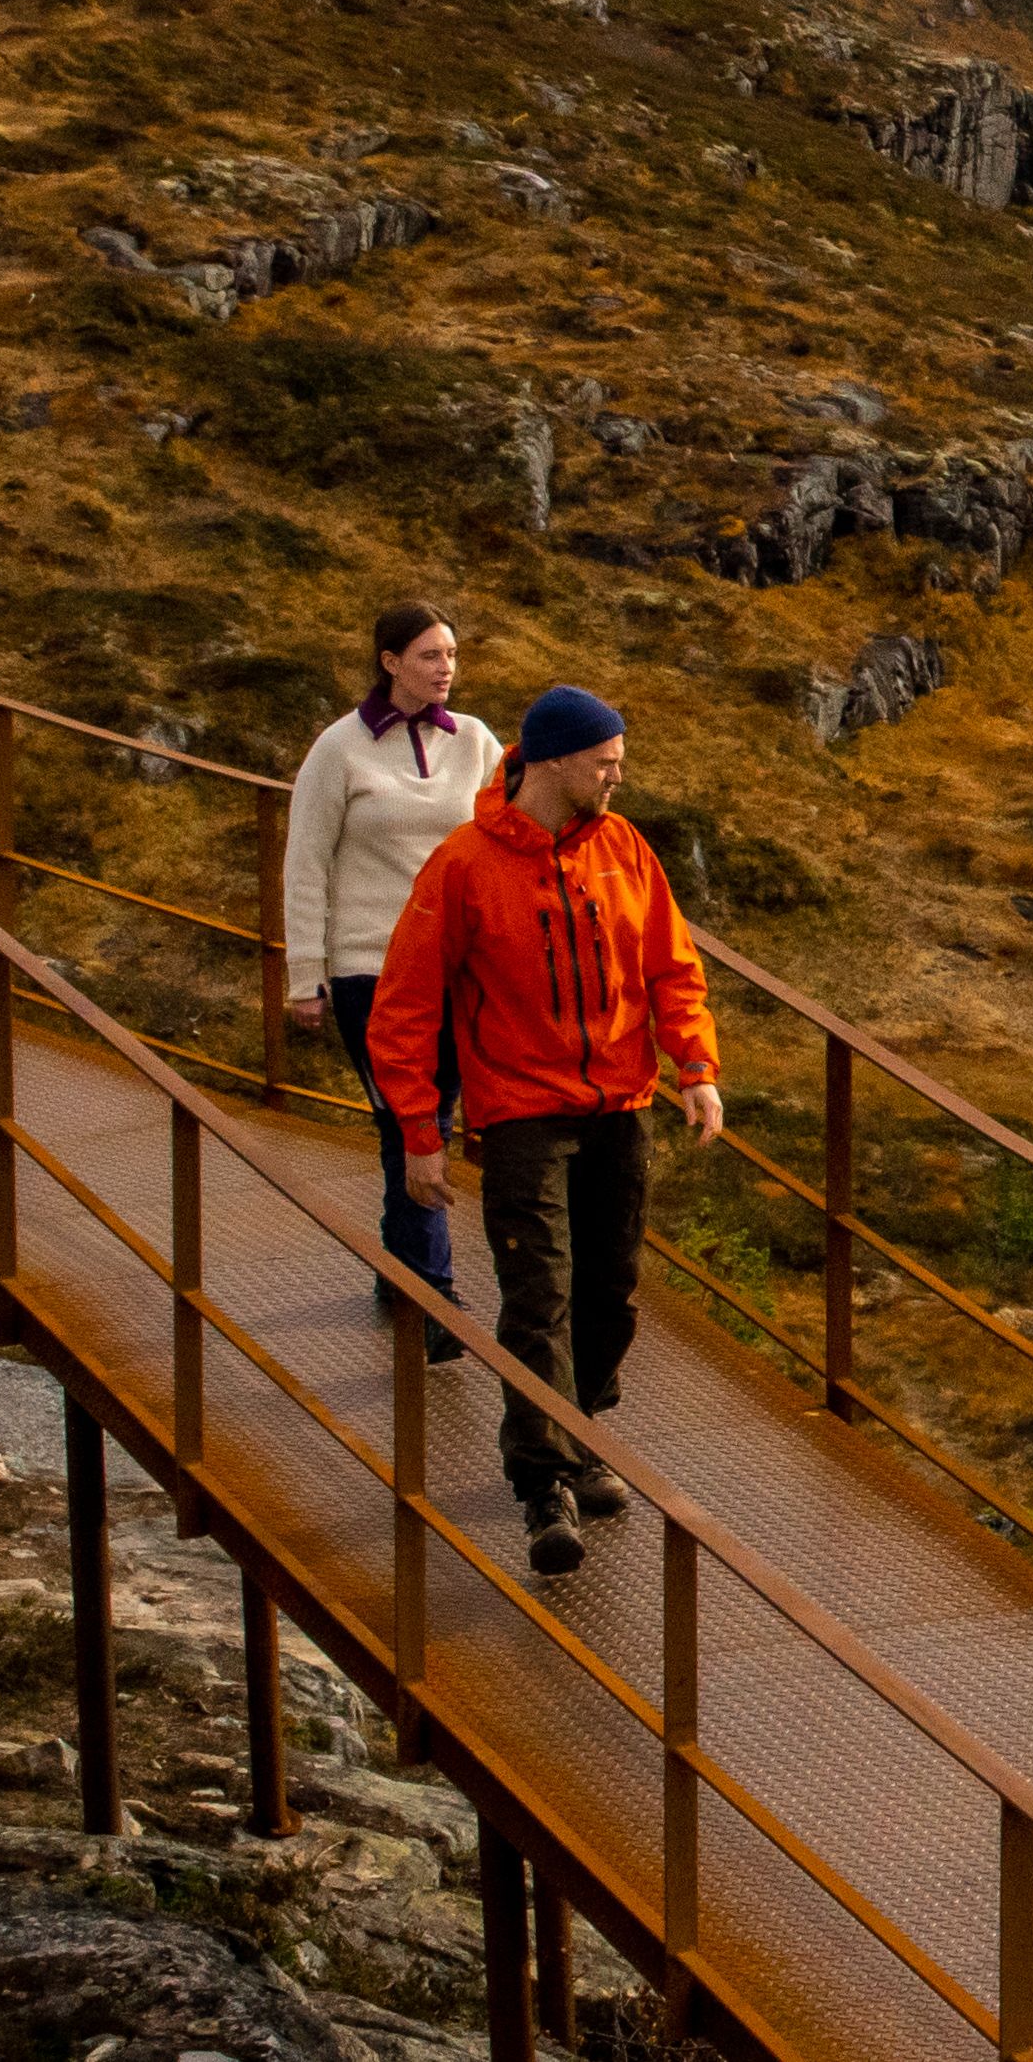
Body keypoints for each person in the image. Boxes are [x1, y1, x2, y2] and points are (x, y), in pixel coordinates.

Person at [370, 683, 722, 1574]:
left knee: (612, 1290)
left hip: (620, 1108)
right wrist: (420, 1128)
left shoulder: (625, 848)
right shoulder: (463, 863)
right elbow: (405, 1003)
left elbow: (671, 966)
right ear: (557, 759)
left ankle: (582, 1426)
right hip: (522, 1116)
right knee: (540, 1298)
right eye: (606, 761)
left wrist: (697, 1068)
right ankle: (544, 1484)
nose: (617, 774)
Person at [280, 605, 493, 1340]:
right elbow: (305, 861)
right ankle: (428, 1301)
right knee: (413, 1123)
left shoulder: (476, 743)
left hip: (455, 966)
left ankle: (399, 1270)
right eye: (430, 654)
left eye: (453, 655)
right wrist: (305, 972)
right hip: (369, 965)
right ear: (389, 660)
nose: (445, 668)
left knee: (428, 1119)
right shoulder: (338, 750)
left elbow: (506, 838)